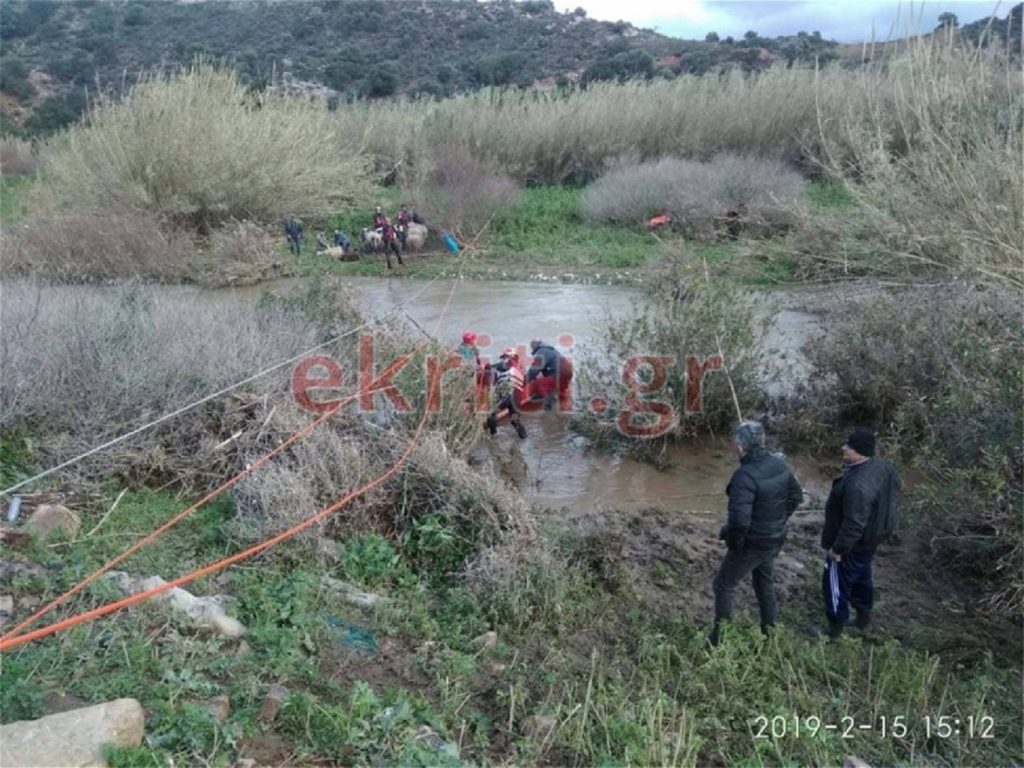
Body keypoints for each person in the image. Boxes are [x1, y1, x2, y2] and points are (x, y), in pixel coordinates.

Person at [709, 421, 804, 646]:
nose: (733, 447)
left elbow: (740, 521)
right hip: (775, 537)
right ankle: (769, 634)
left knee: (723, 584)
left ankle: (718, 640)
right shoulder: (779, 465)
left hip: (754, 543)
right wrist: (777, 521)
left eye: (735, 444)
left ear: (741, 448)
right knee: (764, 582)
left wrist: (734, 542)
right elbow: (796, 497)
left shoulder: (744, 477)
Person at [820, 428, 900, 639]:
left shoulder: (857, 486)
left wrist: (838, 549)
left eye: (849, 446)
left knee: (834, 582)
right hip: (871, 539)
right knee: (862, 576)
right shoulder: (884, 468)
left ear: (861, 453)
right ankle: (863, 618)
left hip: (852, 544)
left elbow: (854, 523)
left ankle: (834, 631)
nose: (843, 448)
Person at [485, 348, 527, 439]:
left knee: (491, 417)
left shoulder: (505, 366)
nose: (504, 359)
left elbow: (491, 369)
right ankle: (524, 439)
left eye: (506, 357)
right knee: (515, 421)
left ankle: (493, 437)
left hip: (505, 397)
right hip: (515, 399)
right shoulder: (519, 368)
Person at [525, 338, 573, 410]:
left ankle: (549, 408)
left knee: (542, 385)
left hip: (560, 373)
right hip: (568, 373)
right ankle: (564, 405)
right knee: (560, 391)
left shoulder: (541, 352)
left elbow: (534, 370)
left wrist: (524, 381)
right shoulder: (551, 350)